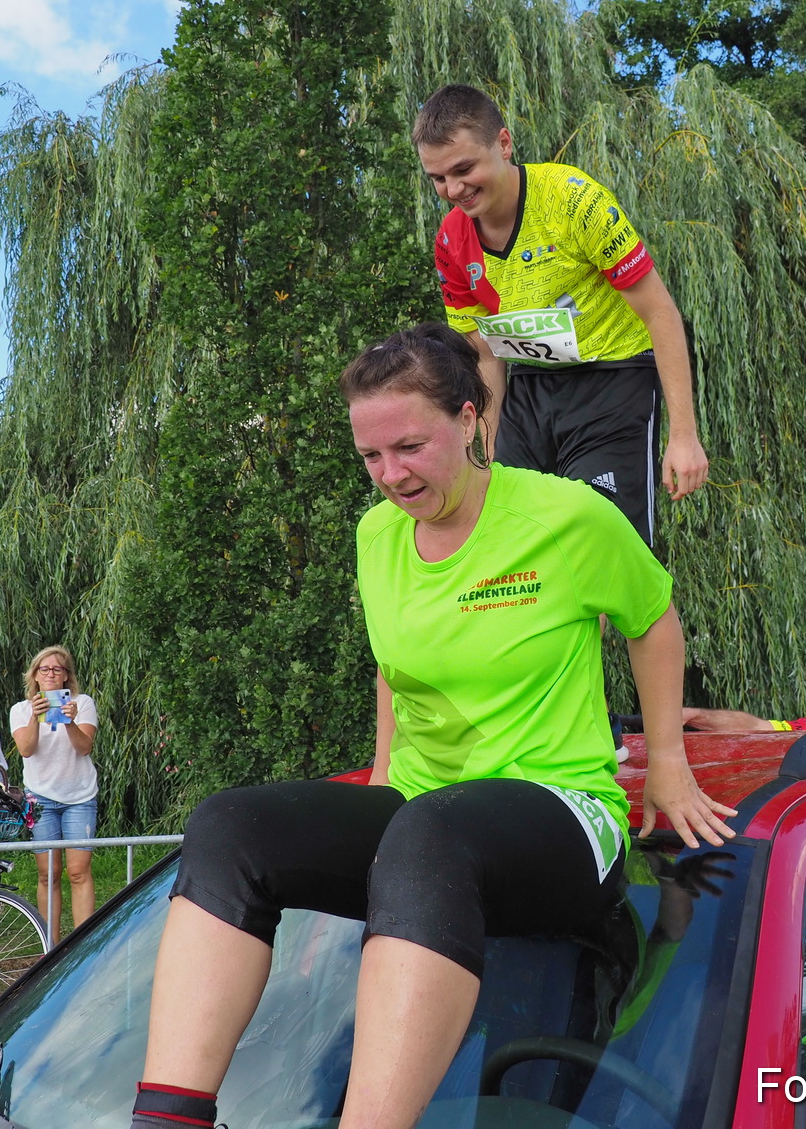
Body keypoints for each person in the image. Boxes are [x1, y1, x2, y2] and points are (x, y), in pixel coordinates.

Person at [128, 324, 735, 1129]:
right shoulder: (376, 535)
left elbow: (652, 619)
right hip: (426, 813)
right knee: (228, 825)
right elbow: (395, 664)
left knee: (429, 833)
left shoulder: (566, 516)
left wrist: (667, 761)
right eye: (371, 456)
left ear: (470, 418)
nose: (391, 475)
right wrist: (382, 775)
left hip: (561, 806)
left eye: (409, 447)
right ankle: (167, 1119)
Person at [415, 84, 707, 546]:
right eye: (437, 178)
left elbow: (660, 312)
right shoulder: (451, 240)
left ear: (504, 144)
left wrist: (684, 436)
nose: (453, 190)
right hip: (529, 387)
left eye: (464, 169)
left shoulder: (573, 201)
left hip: (613, 378)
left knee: (605, 543)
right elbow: (483, 353)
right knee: (515, 539)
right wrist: (488, 445)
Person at [11, 646, 100, 945]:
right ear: (35, 675)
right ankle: (51, 948)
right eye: (44, 669)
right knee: (48, 874)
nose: (50, 674)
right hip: (40, 799)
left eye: (57, 669)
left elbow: (84, 748)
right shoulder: (20, 710)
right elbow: (26, 750)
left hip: (79, 798)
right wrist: (35, 717)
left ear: (66, 676)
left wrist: (70, 720)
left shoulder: (82, 703)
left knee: (78, 872)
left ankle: (82, 946)